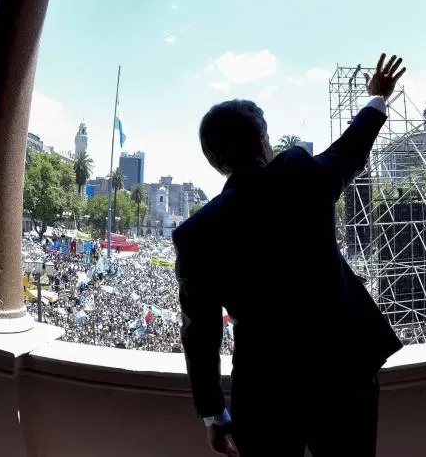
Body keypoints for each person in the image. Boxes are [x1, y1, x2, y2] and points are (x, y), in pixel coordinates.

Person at [173, 53, 407, 457]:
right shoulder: (299, 173)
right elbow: (349, 152)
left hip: (265, 390)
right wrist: (377, 99)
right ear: (264, 141)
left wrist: (213, 414)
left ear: (215, 161)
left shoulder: (196, 234)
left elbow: (202, 334)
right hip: (343, 372)